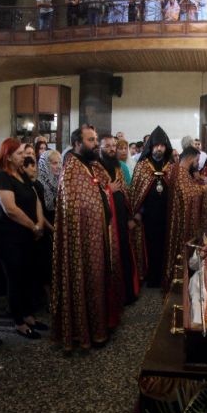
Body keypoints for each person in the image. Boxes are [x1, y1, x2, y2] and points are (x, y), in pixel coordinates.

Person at [52, 127, 122, 350]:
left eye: (95, 139)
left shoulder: (90, 165)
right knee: (88, 281)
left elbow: (100, 190)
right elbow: (76, 204)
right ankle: (86, 332)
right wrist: (103, 193)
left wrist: (105, 192)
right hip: (82, 241)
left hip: (99, 235)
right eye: (90, 140)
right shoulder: (71, 169)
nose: (95, 144)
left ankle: (100, 326)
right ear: (77, 143)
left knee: (99, 280)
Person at [0, 139, 47, 339]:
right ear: (8, 156)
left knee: (27, 276)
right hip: (9, 236)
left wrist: (39, 223)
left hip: (28, 235)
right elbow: (10, 209)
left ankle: (28, 315)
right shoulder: (1, 177)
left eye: (24, 152)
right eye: (20, 153)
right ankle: (19, 322)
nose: (24, 155)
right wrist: (33, 226)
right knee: (15, 278)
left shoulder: (21, 173)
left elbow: (35, 198)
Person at [131, 126, 175, 287]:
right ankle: (151, 277)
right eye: (156, 145)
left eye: (162, 146)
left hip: (166, 215)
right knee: (149, 246)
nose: (159, 148)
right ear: (151, 147)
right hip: (148, 216)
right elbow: (136, 192)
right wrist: (138, 212)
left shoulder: (171, 167)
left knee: (165, 245)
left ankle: (165, 276)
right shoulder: (142, 166)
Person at [99, 133, 140, 304]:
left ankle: (127, 295)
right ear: (100, 148)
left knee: (124, 254)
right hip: (106, 222)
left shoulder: (119, 167)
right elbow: (91, 194)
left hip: (122, 219)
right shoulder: (96, 168)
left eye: (113, 146)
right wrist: (108, 190)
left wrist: (131, 216)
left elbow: (128, 194)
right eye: (107, 146)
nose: (111, 149)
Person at [164, 146, 207, 290]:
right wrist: (206, 189)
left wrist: (199, 183)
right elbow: (189, 194)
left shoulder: (177, 169)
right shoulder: (181, 172)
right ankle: (180, 280)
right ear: (190, 159)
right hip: (180, 220)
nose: (197, 164)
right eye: (197, 160)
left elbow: (188, 188)